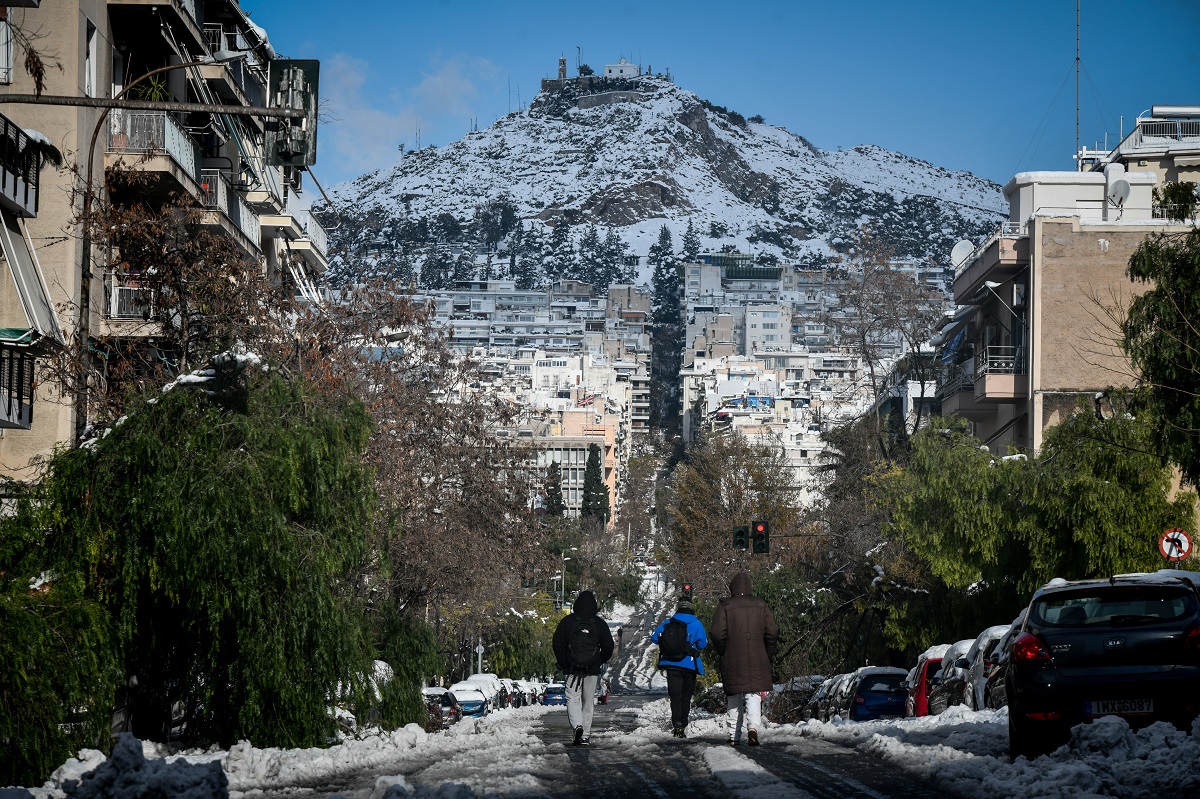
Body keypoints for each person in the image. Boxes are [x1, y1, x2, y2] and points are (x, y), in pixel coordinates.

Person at [711, 570, 778, 746]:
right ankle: (753, 728)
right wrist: (767, 653)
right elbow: (772, 632)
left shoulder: (725, 605)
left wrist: (724, 650)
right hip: (758, 657)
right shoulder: (761, 605)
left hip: (733, 657)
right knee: (753, 694)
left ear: (732, 588)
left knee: (734, 694)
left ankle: (734, 735)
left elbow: (717, 633)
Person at [552, 589, 615, 746]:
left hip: (572, 668)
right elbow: (609, 646)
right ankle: (585, 735)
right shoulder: (599, 624)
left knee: (572, 698)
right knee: (588, 702)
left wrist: (563, 661)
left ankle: (577, 726)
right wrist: (599, 660)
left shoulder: (568, 622)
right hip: (591, 669)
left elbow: (557, 643)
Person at [650, 595, 708, 738]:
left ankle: (677, 724)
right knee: (685, 697)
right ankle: (683, 722)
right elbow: (703, 644)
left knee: (675, 695)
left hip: (671, 664)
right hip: (689, 664)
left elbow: (654, 638)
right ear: (691, 607)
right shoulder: (697, 623)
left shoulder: (669, 622)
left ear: (678, 607)